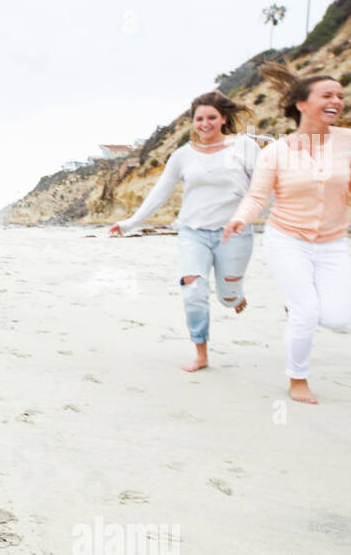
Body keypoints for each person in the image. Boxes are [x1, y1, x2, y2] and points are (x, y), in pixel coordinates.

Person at [222, 62, 351, 404]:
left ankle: (297, 306)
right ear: (302, 104)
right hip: (287, 239)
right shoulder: (276, 151)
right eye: (327, 95)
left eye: (340, 95)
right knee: (306, 311)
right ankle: (298, 380)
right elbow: (258, 196)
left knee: (336, 318)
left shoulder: (349, 140)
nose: (336, 100)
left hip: (333, 242)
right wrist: (241, 219)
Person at [109, 92, 261, 372]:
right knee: (193, 290)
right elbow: (159, 193)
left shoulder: (244, 147)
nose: (205, 123)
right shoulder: (183, 156)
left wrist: (255, 217)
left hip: (234, 233)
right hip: (193, 233)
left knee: (227, 299)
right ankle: (201, 352)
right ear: (192, 123)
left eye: (211, 117)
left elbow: (262, 189)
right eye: (199, 118)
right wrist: (130, 223)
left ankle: (235, 296)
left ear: (223, 119)